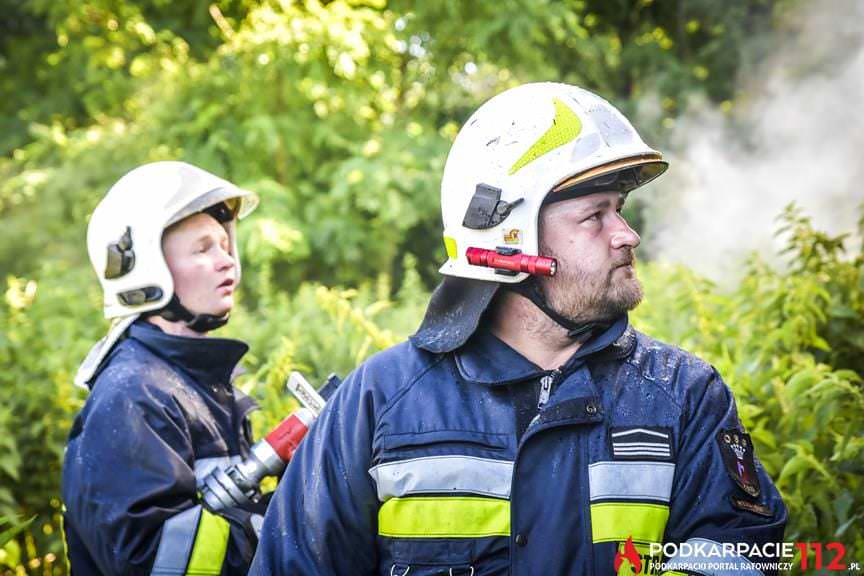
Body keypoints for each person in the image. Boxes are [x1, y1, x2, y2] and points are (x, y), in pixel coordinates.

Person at [251, 83, 786, 576]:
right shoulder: (380, 402)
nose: (627, 235)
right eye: (594, 216)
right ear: (510, 244)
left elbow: (742, 553)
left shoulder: (685, 396)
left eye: (619, 211)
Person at [63, 161, 264, 575]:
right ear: (145, 267)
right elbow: (158, 562)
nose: (226, 261)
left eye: (225, 246)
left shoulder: (193, 384)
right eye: (203, 249)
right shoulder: (133, 395)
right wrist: (284, 522)